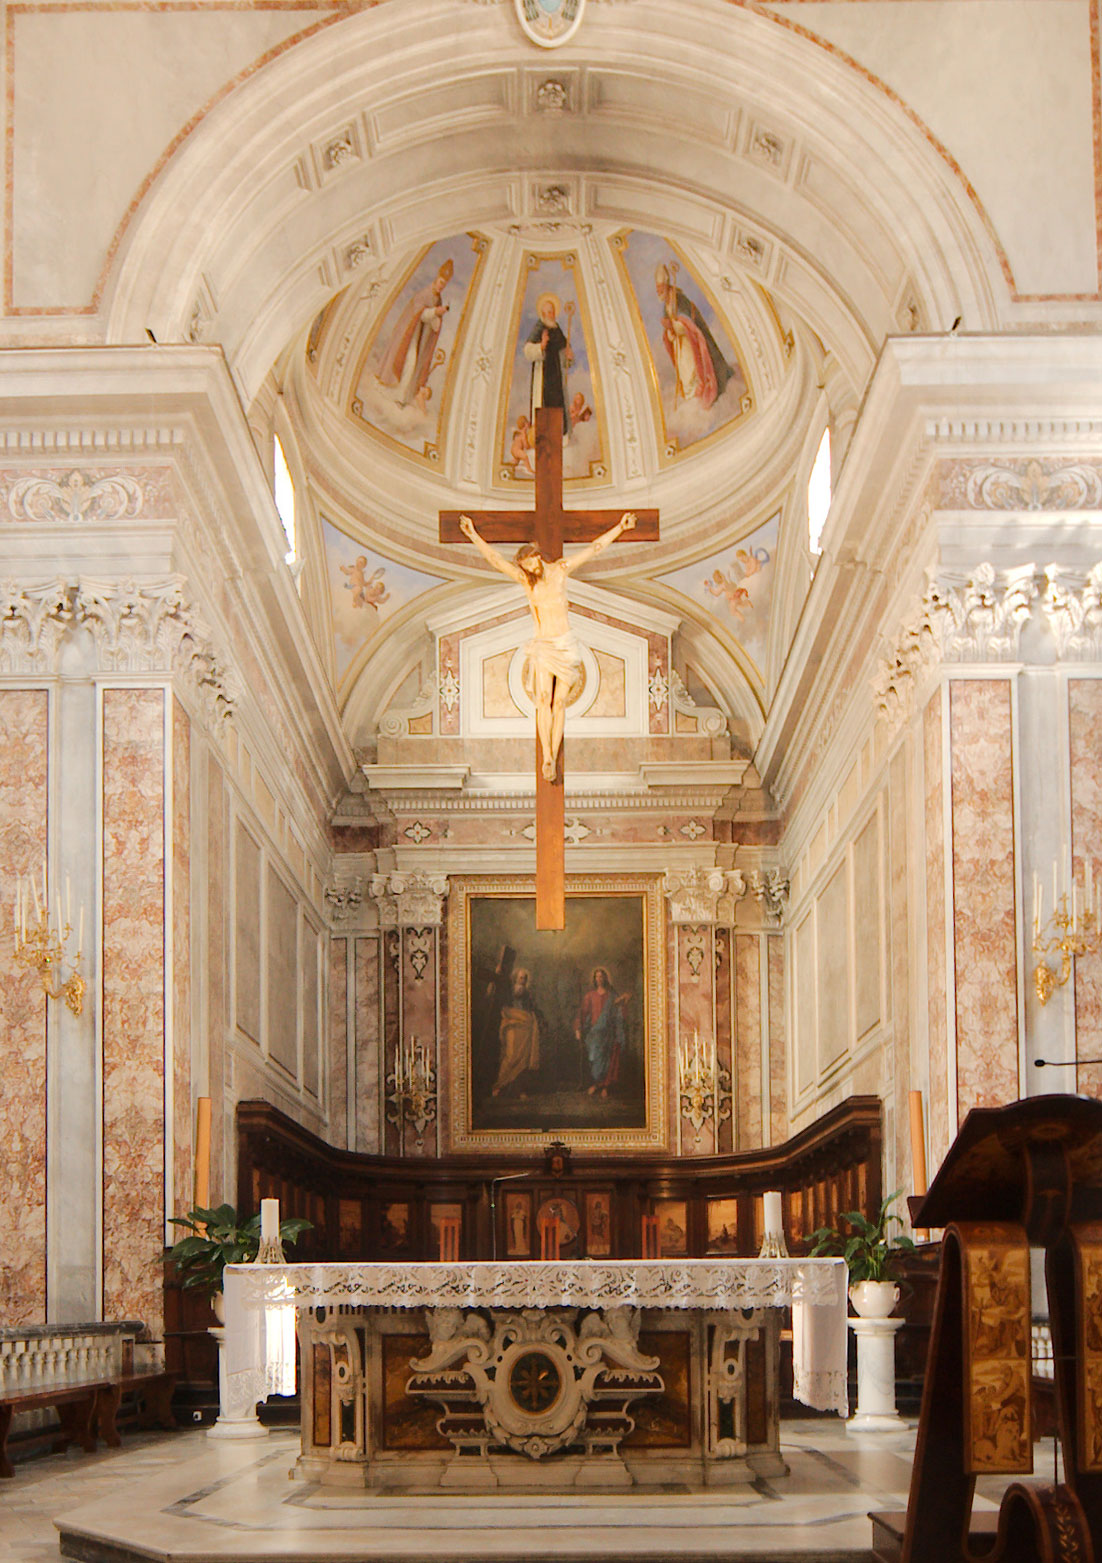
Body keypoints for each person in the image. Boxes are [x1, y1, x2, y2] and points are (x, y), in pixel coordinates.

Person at [458, 510, 637, 780]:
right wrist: (473, 535)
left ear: (536, 556)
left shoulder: (561, 570)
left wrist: (620, 528)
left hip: (565, 645)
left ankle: (554, 749)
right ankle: (548, 757)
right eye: (525, 568)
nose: (530, 569)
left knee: (560, 702)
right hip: (543, 645)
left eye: (531, 563)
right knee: (543, 700)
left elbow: (594, 549)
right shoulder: (527, 583)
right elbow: (495, 560)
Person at [654, 262, 733, 409]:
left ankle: (702, 393)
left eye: (660, 289)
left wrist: (676, 325)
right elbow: (671, 331)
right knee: (685, 370)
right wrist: (669, 331)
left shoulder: (679, 299)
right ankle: (692, 398)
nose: (659, 292)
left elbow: (690, 322)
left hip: (691, 342)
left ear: (666, 286)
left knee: (693, 368)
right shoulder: (666, 305)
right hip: (681, 344)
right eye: (657, 289)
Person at [376, 258, 453, 407]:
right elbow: (420, 314)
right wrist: (436, 312)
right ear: (437, 279)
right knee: (409, 363)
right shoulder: (424, 294)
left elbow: (433, 324)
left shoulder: (438, 299)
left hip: (419, 337)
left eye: (444, 285)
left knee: (414, 366)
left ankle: (402, 397)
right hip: (408, 334)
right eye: (440, 282)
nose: (441, 287)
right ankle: (394, 393)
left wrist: (438, 316)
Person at [576, 966, 629, 1098]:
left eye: (601, 976)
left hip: (609, 1033)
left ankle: (605, 1086)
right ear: (594, 979)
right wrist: (578, 1028)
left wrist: (623, 1003)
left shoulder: (612, 996)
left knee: (608, 1059)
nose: (599, 979)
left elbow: (619, 1012)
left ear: (605, 978)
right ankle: (596, 1084)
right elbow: (582, 1013)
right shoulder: (590, 995)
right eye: (597, 977)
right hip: (594, 1033)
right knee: (594, 1058)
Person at [523, 293, 573, 430]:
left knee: (557, 407)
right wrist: (541, 346)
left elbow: (564, 353)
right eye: (550, 312)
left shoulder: (557, 330)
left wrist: (568, 356)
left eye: (553, 312)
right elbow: (527, 350)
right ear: (543, 313)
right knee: (544, 407)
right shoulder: (539, 327)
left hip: (556, 377)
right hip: (543, 376)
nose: (552, 315)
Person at [491, 961, 541, 1097]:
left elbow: (533, 1010)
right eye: (520, 978)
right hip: (512, 1027)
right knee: (511, 1057)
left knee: (523, 1062)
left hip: (526, 1031)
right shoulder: (508, 992)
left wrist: (536, 1020)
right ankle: (500, 1085)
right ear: (515, 979)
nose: (522, 981)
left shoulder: (528, 995)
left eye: (524, 979)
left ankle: (519, 1090)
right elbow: (503, 1007)